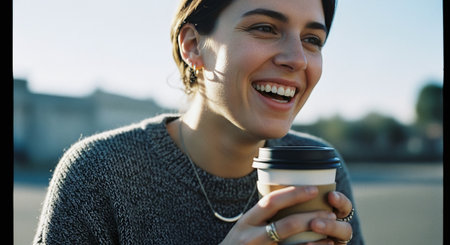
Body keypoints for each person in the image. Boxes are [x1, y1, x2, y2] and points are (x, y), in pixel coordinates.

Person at [33, 0, 364, 244]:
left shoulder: (320, 165)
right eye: (265, 28)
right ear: (193, 46)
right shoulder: (99, 173)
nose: (297, 58)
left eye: (312, 40)